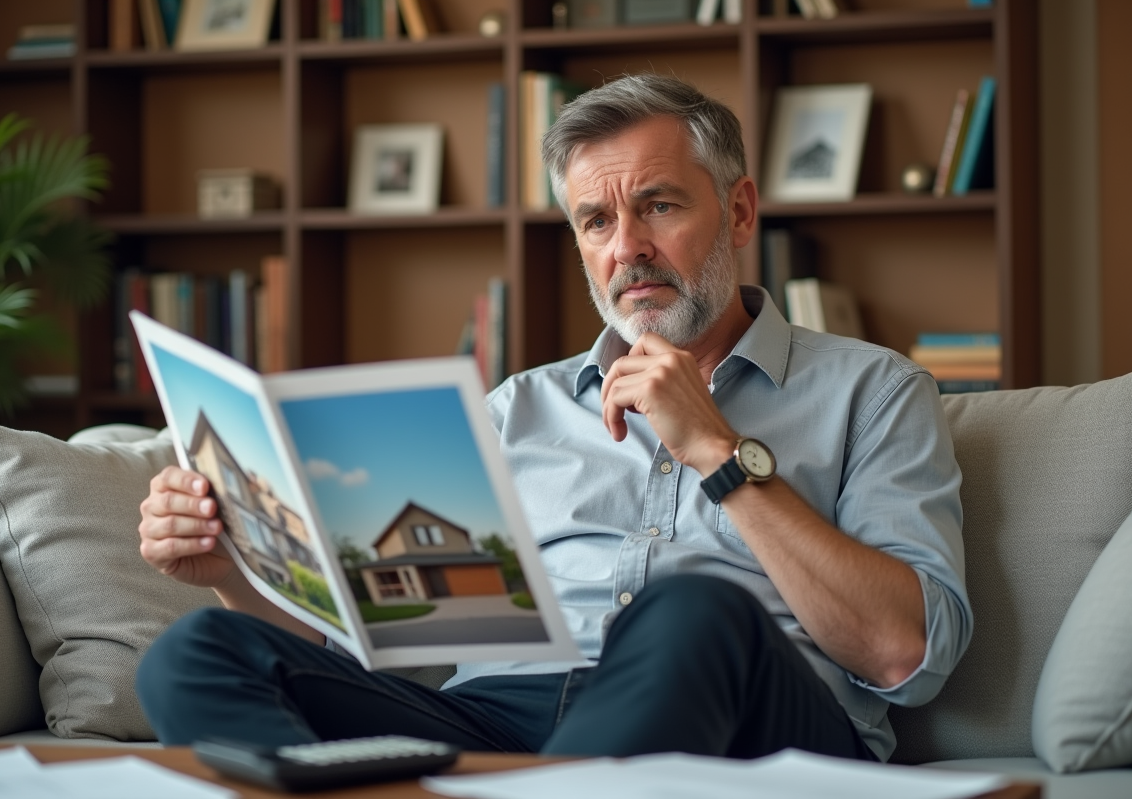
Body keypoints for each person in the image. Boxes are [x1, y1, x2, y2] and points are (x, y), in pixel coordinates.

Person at [135, 74, 971, 763]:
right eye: (597, 220)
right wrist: (237, 571)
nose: (627, 247)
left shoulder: (878, 392)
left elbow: (906, 653)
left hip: (746, 722)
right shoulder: (515, 410)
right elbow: (392, 647)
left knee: (691, 610)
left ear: (740, 211)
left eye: (659, 206)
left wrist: (718, 450)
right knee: (196, 653)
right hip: (502, 724)